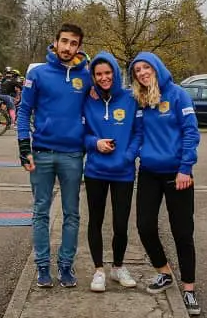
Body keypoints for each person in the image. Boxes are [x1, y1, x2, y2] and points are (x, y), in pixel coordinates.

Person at [17, 24, 92, 288]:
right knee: (41, 212)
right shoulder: (38, 74)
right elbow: (24, 111)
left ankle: (66, 266)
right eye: (64, 41)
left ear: (79, 47)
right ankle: (42, 267)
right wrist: (23, 147)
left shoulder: (87, 76)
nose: (68, 47)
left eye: (73, 43)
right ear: (55, 42)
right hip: (42, 153)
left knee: (72, 213)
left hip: (73, 155)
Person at [129, 52, 202, 316]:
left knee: (182, 231)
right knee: (144, 226)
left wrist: (185, 168)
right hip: (148, 172)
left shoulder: (178, 95)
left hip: (177, 174)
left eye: (146, 67)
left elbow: (191, 132)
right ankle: (164, 272)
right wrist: (129, 157)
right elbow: (138, 134)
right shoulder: (140, 100)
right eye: (137, 70)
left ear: (157, 68)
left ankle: (190, 290)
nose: (142, 73)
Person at [82, 52, 143, 292]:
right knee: (95, 221)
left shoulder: (131, 98)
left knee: (120, 223)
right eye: (99, 74)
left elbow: (139, 133)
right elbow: (82, 133)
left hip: (124, 172)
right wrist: (95, 144)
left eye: (108, 73)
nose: (104, 78)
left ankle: (118, 267)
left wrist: (128, 157)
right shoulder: (88, 100)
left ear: (115, 73)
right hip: (96, 170)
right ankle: (98, 270)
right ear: (93, 77)